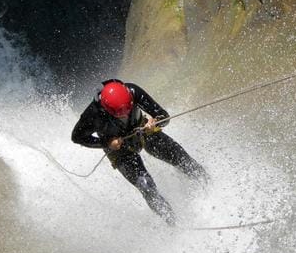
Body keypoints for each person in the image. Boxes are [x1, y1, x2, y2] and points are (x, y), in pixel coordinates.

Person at [71, 79, 208, 225]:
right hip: (119, 150)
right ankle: (174, 223)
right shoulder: (92, 114)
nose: (125, 115)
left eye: (127, 111)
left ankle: (209, 184)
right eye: (120, 114)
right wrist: (106, 143)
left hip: (143, 131)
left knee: (182, 159)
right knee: (146, 186)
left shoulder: (133, 92)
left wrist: (155, 122)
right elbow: (77, 137)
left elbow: (163, 115)